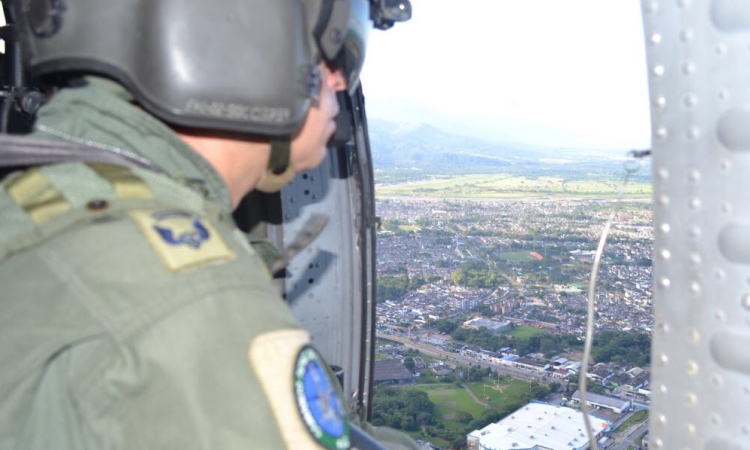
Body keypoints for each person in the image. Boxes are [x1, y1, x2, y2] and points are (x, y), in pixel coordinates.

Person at [0, 0, 417, 449]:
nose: (340, 78)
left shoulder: (48, 194)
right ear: (239, 40)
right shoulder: (192, 297)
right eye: (338, 46)